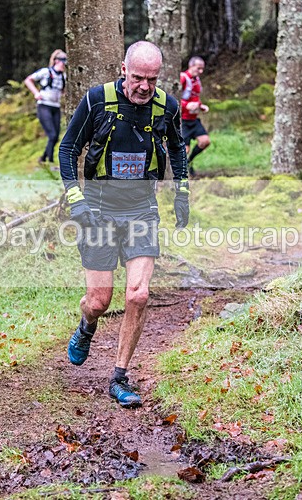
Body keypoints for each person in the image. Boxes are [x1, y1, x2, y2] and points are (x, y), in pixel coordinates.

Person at [58, 41, 190, 408]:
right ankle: (86, 326)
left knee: (139, 294)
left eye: (151, 79)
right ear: (123, 70)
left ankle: (119, 376)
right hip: (98, 210)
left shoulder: (167, 106)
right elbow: (67, 149)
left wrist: (182, 191)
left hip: (142, 210)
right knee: (99, 301)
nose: (144, 87)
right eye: (137, 78)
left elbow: (178, 148)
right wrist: (75, 200)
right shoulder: (96, 100)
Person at [24, 49, 67, 163]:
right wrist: (36, 93)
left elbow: (63, 90)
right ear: (56, 61)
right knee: (52, 134)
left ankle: (43, 158)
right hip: (44, 105)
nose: (64, 64)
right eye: (63, 61)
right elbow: (28, 80)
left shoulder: (64, 76)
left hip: (56, 107)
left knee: (56, 136)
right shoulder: (45, 72)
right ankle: (50, 161)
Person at [180, 56, 210, 177]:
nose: (201, 71)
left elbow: (195, 98)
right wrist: (186, 106)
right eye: (199, 68)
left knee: (205, 141)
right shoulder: (183, 78)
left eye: (202, 69)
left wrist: (201, 106)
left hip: (194, 120)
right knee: (184, 149)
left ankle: (189, 161)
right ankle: (180, 173)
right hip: (183, 120)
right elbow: (174, 97)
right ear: (191, 66)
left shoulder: (197, 80)